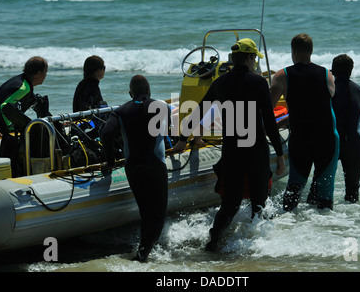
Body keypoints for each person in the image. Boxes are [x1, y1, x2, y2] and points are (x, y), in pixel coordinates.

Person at [173, 38, 285, 252]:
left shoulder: (220, 83)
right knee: (259, 200)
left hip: (232, 149)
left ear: (234, 59)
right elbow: (269, 121)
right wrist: (279, 154)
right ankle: (256, 247)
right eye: (255, 58)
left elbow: (199, 111)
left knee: (230, 202)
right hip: (255, 148)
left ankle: (213, 242)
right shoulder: (258, 82)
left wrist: (182, 139)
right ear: (251, 58)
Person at [101, 75, 169, 262]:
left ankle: (143, 248)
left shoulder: (120, 111)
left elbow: (106, 133)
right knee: (157, 214)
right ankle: (143, 254)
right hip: (155, 165)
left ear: (130, 93)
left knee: (145, 210)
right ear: (149, 91)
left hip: (133, 168)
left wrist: (110, 161)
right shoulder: (161, 107)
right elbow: (167, 132)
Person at [270, 33, 339, 211]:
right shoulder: (327, 74)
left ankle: (286, 227)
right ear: (311, 51)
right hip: (327, 139)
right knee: (325, 192)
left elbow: (267, 108)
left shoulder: (282, 75)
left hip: (301, 140)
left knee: (294, 188)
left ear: (292, 51)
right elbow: (322, 105)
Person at [0, 56, 49, 176]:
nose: (46, 75)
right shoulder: (23, 88)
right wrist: (10, 128)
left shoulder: (20, 81)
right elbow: (4, 108)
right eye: (45, 72)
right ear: (38, 73)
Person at [330, 54, 360, 203]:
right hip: (354, 142)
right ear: (350, 71)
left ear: (333, 71)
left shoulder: (329, 90)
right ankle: (352, 221)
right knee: (352, 190)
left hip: (333, 141)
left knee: (319, 185)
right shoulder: (359, 90)